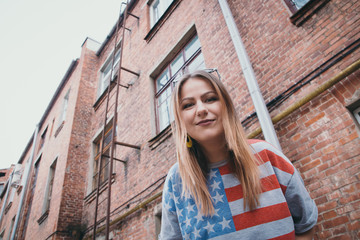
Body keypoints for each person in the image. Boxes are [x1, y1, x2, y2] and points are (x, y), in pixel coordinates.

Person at [159, 69, 318, 240]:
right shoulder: (176, 181)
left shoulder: (267, 155)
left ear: (226, 106)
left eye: (210, 99)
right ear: (180, 119)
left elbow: (305, 226)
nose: (201, 109)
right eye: (188, 105)